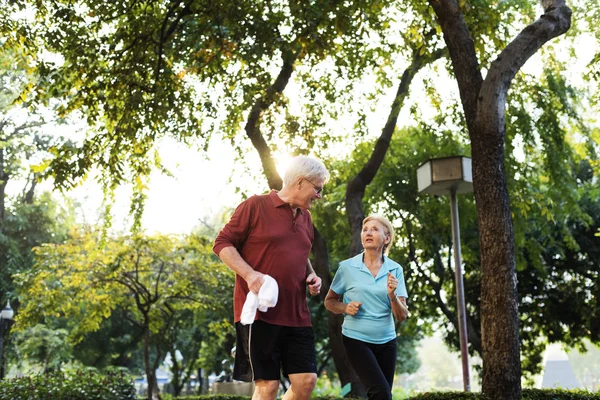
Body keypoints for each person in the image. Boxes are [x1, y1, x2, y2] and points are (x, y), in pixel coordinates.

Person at [213, 155, 329, 400]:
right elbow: (222, 243)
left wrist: (312, 275)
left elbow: (300, 253)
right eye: (317, 188)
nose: (319, 195)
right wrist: (249, 274)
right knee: (268, 386)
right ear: (299, 182)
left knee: (306, 381)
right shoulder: (255, 206)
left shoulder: (306, 218)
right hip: (259, 314)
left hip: (297, 314)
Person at [324, 214, 409, 400]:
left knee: (381, 394)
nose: (368, 233)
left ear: (386, 239)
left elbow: (402, 315)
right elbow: (329, 301)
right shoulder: (347, 268)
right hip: (356, 339)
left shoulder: (395, 269)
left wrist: (392, 295)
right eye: (365, 230)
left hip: (387, 342)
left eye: (375, 229)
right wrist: (345, 308)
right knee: (381, 393)